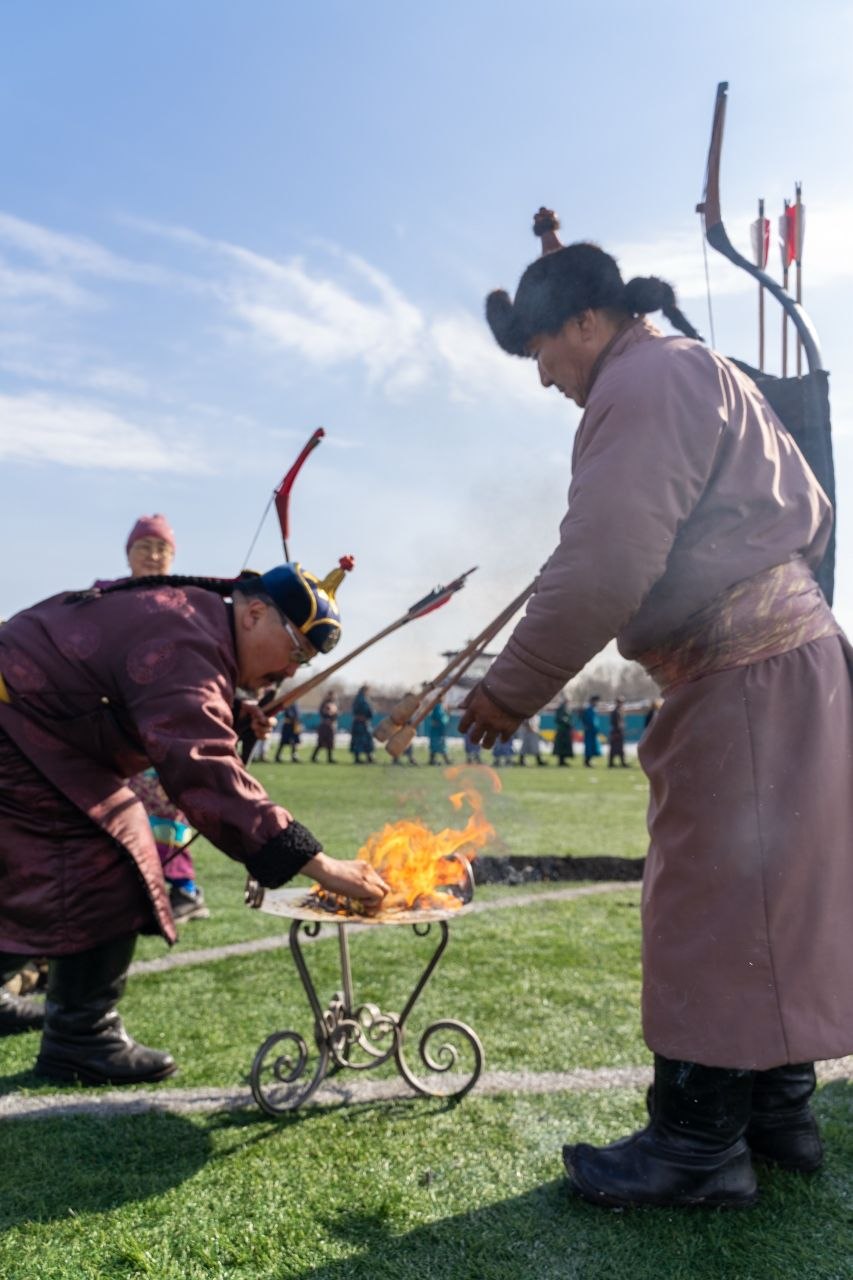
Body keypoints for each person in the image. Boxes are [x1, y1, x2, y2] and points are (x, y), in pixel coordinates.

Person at [460, 236, 853, 1208]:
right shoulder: (687, 371)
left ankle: (695, 1144)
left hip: (747, 675)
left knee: (714, 900)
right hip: (784, 666)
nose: (545, 375)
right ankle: (777, 1112)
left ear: (587, 322)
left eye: (544, 348)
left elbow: (601, 559)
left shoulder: (642, 384)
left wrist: (510, 688)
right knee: (775, 894)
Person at [0, 558, 388, 1084]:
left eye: (306, 661)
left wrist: (227, 707)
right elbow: (201, 763)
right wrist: (316, 862)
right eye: (296, 651)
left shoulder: (194, 619)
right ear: (253, 613)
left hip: (26, 723)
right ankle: (80, 1037)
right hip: (18, 728)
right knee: (105, 856)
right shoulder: (188, 640)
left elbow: (144, 694)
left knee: (38, 872)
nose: (293, 672)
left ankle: (69, 1028)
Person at [350, 685, 374, 764]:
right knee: (359, 741)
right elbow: (364, 710)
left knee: (367, 741)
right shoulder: (361, 699)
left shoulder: (362, 699)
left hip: (363, 723)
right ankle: (358, 758)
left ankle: (368, 757)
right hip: (360, 724)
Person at [311, 691, 338, 763]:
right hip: (324, 725)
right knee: (321, 742)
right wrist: (327, 719)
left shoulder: (334, 704)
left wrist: (333, 720)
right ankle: (313, 757)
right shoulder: (324, 703)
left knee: (330, 742)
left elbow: (335, 714)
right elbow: (322, 712)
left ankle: (330, 758)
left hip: (331, 725)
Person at [427, 700, 450, 766]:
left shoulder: (437, 707)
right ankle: (446, 760)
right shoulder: (438, 707)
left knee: (434, 746)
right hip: (438, 731)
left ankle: (432, 760)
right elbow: (441, 719)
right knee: (441, 746)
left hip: (436, 731)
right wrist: (447, 717)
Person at [580, 695, 601, 767]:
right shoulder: (589, 709)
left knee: (592, 747)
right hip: (589, 731)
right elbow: (589, 721)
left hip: (593, 731)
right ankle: (587, 761)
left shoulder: (593, 709)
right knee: (589, 747)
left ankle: (588, 761)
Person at [553, 697, 574, 766]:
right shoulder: (561, 708)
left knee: (564, 746)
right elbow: (560, 718)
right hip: (562, 730)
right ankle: (561, 761)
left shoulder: (566, 708)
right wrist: (567, 723)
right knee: (561, 746)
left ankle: (563, 760)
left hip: (565, 730)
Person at [608, 697, 629, 768]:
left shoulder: (619, 711)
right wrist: (619, 731)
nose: (622, 704)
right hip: (616, 732)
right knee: (614, 748)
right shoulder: (615, 712)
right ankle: (611, 763)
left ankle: (622, 762)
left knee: (620, 748)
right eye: (620, 702)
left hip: (618, 732)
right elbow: (615, 723)